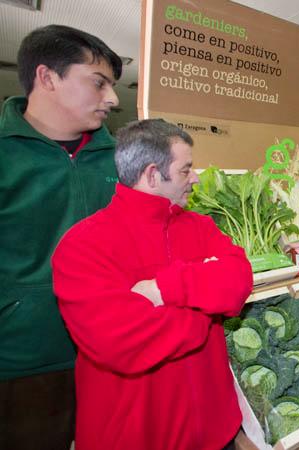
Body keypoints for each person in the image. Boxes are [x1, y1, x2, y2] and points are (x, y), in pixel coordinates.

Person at [51, 119, 253, 450]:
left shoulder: (200, 227)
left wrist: (164, 289)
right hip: (134, 438)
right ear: (152, 175)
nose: (195, 178)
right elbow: (122, 341)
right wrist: (204, 313)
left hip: (217, 433)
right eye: (186, 169)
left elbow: (239, 279)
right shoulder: (82, 246)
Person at [0, 25, 122, 449]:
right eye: (99, 82)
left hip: (116, 352)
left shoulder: (120, 160)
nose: (113, 98)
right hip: (27, 362)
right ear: (47, 77)